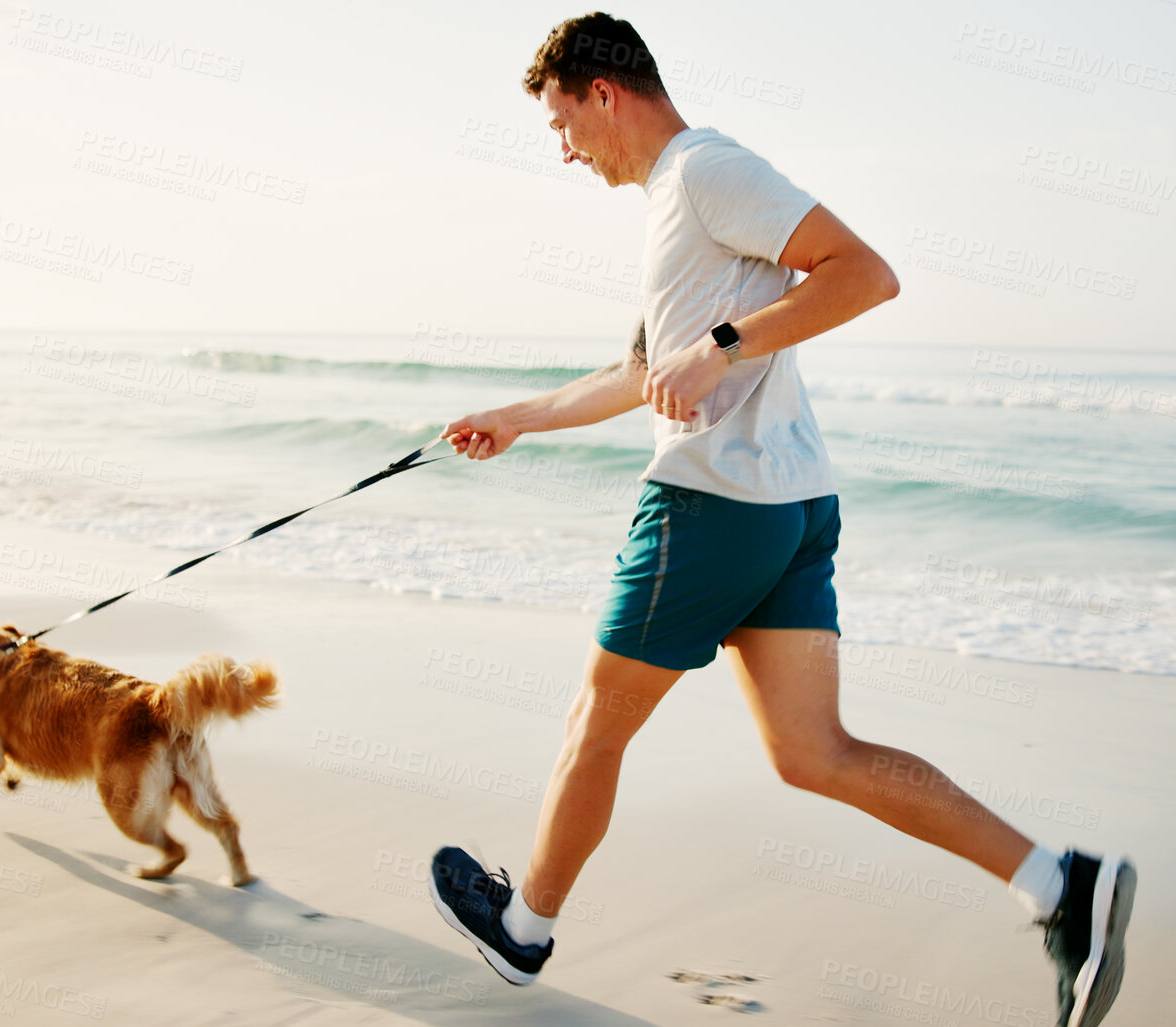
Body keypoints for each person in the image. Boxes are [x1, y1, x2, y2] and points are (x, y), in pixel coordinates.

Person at [428, 13, 1134, 1026]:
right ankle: (1061, 888)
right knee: (815, 754)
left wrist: (719, 343)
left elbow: (864, 272)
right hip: (787, 506)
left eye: (560, 124)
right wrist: (519, 418)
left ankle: (523, 931)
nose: (563, 149)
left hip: (711, 503)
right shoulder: (677, 202)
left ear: (602, 92)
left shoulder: (706, 169)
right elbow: (643, 372)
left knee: (596, 724)